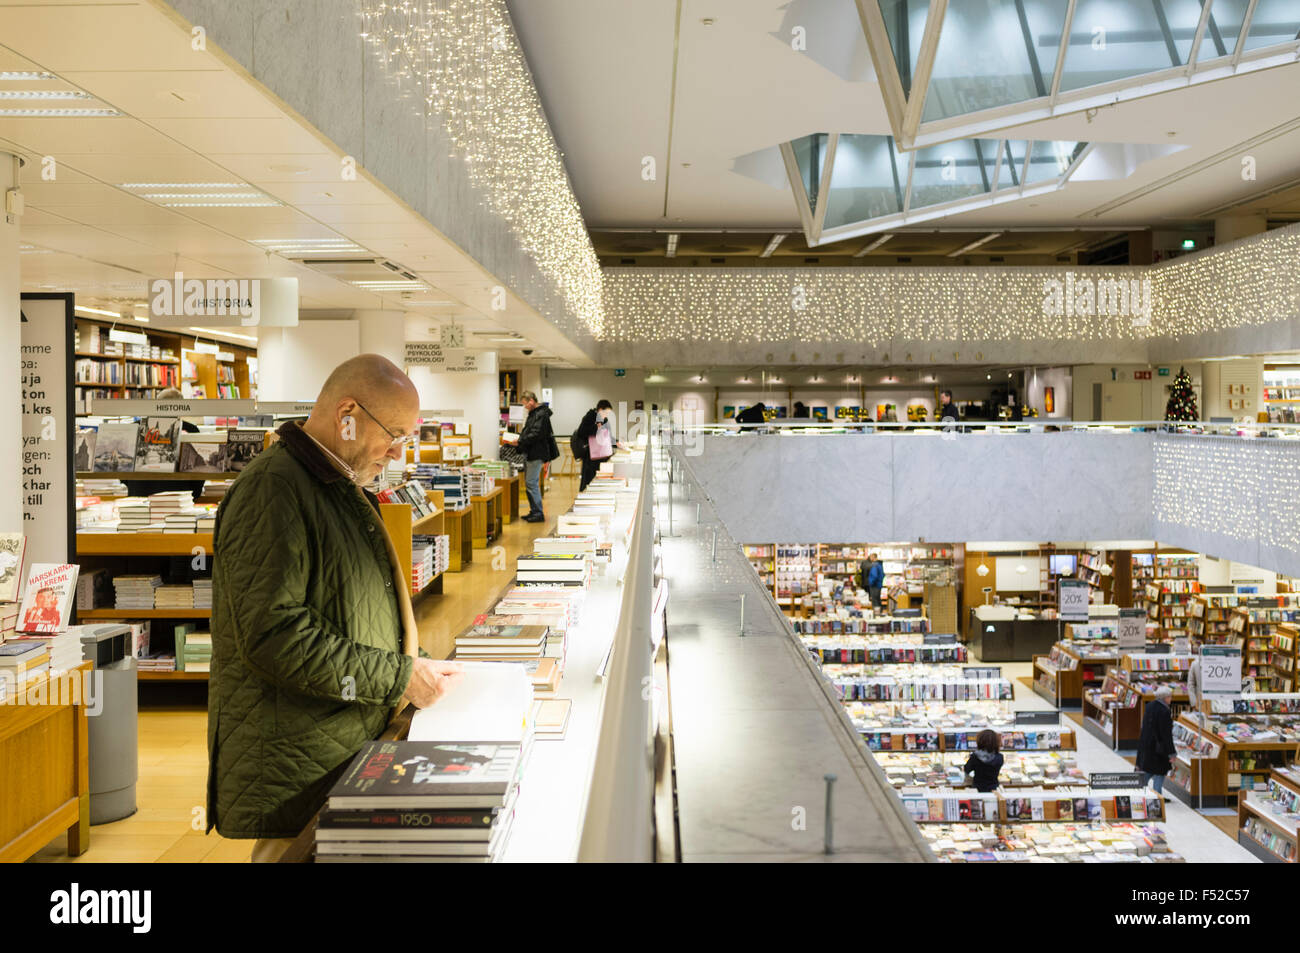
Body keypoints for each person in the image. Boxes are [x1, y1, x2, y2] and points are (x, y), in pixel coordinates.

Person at [207, 354, 464, 862]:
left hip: (333, 744)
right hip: (293, 763)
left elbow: (350, 605)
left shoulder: (334, 484)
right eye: (393, 433)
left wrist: (416, 658)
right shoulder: (273, 490)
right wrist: (397, 676)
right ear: (348, 412)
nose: (396, 452)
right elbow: (274, 636)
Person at [515, 390, 558, 522]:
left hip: (536, 453)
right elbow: (529, 431)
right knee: (530, 483)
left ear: (532, 401)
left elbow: (536, 433)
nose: (525, 407)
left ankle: (538, 513)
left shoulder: (541, 415)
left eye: (525, 404)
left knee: (531, 482)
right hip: (531, 452)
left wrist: (520, 441)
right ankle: (534, 511)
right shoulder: (534, 414)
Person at [1136, 684, 1177, 794]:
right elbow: (1166, 734)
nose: (1171, 699)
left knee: (1149, 769)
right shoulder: (1165, 711)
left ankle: (1142, 789)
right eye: (1170, 697)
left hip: (1147, 744)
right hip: (1159, 748)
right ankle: (1157, 794)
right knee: (1160, 771)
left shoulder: (1150, 706)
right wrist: (1172, 753)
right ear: (1165, 697)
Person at [575, 399, 617, 491]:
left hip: (602, 455)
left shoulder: (604, 420)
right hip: (591, 456)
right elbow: (581, 432)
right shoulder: (590, 416)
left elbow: (608, 436)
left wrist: (616, 443)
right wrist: (597, 428)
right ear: (600, 409)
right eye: (606, 412)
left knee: (599, 480)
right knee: (588, 480)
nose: (606, 415)